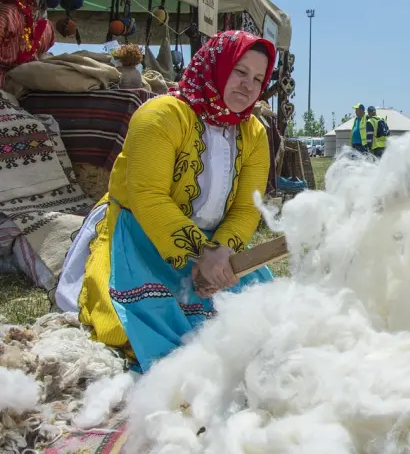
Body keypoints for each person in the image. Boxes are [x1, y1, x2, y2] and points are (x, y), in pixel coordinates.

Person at [56, 30, 277, 373]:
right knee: (141, 329)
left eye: (258, 79)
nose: (249, 86)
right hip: (142, 234)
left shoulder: (254, 133)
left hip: (217, 245)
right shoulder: (161, 115)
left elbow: (247, 207)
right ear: (216, 67)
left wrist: (220, 254)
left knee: (262, 320)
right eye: (240, 72)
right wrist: (201, 254)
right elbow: (148, 197)